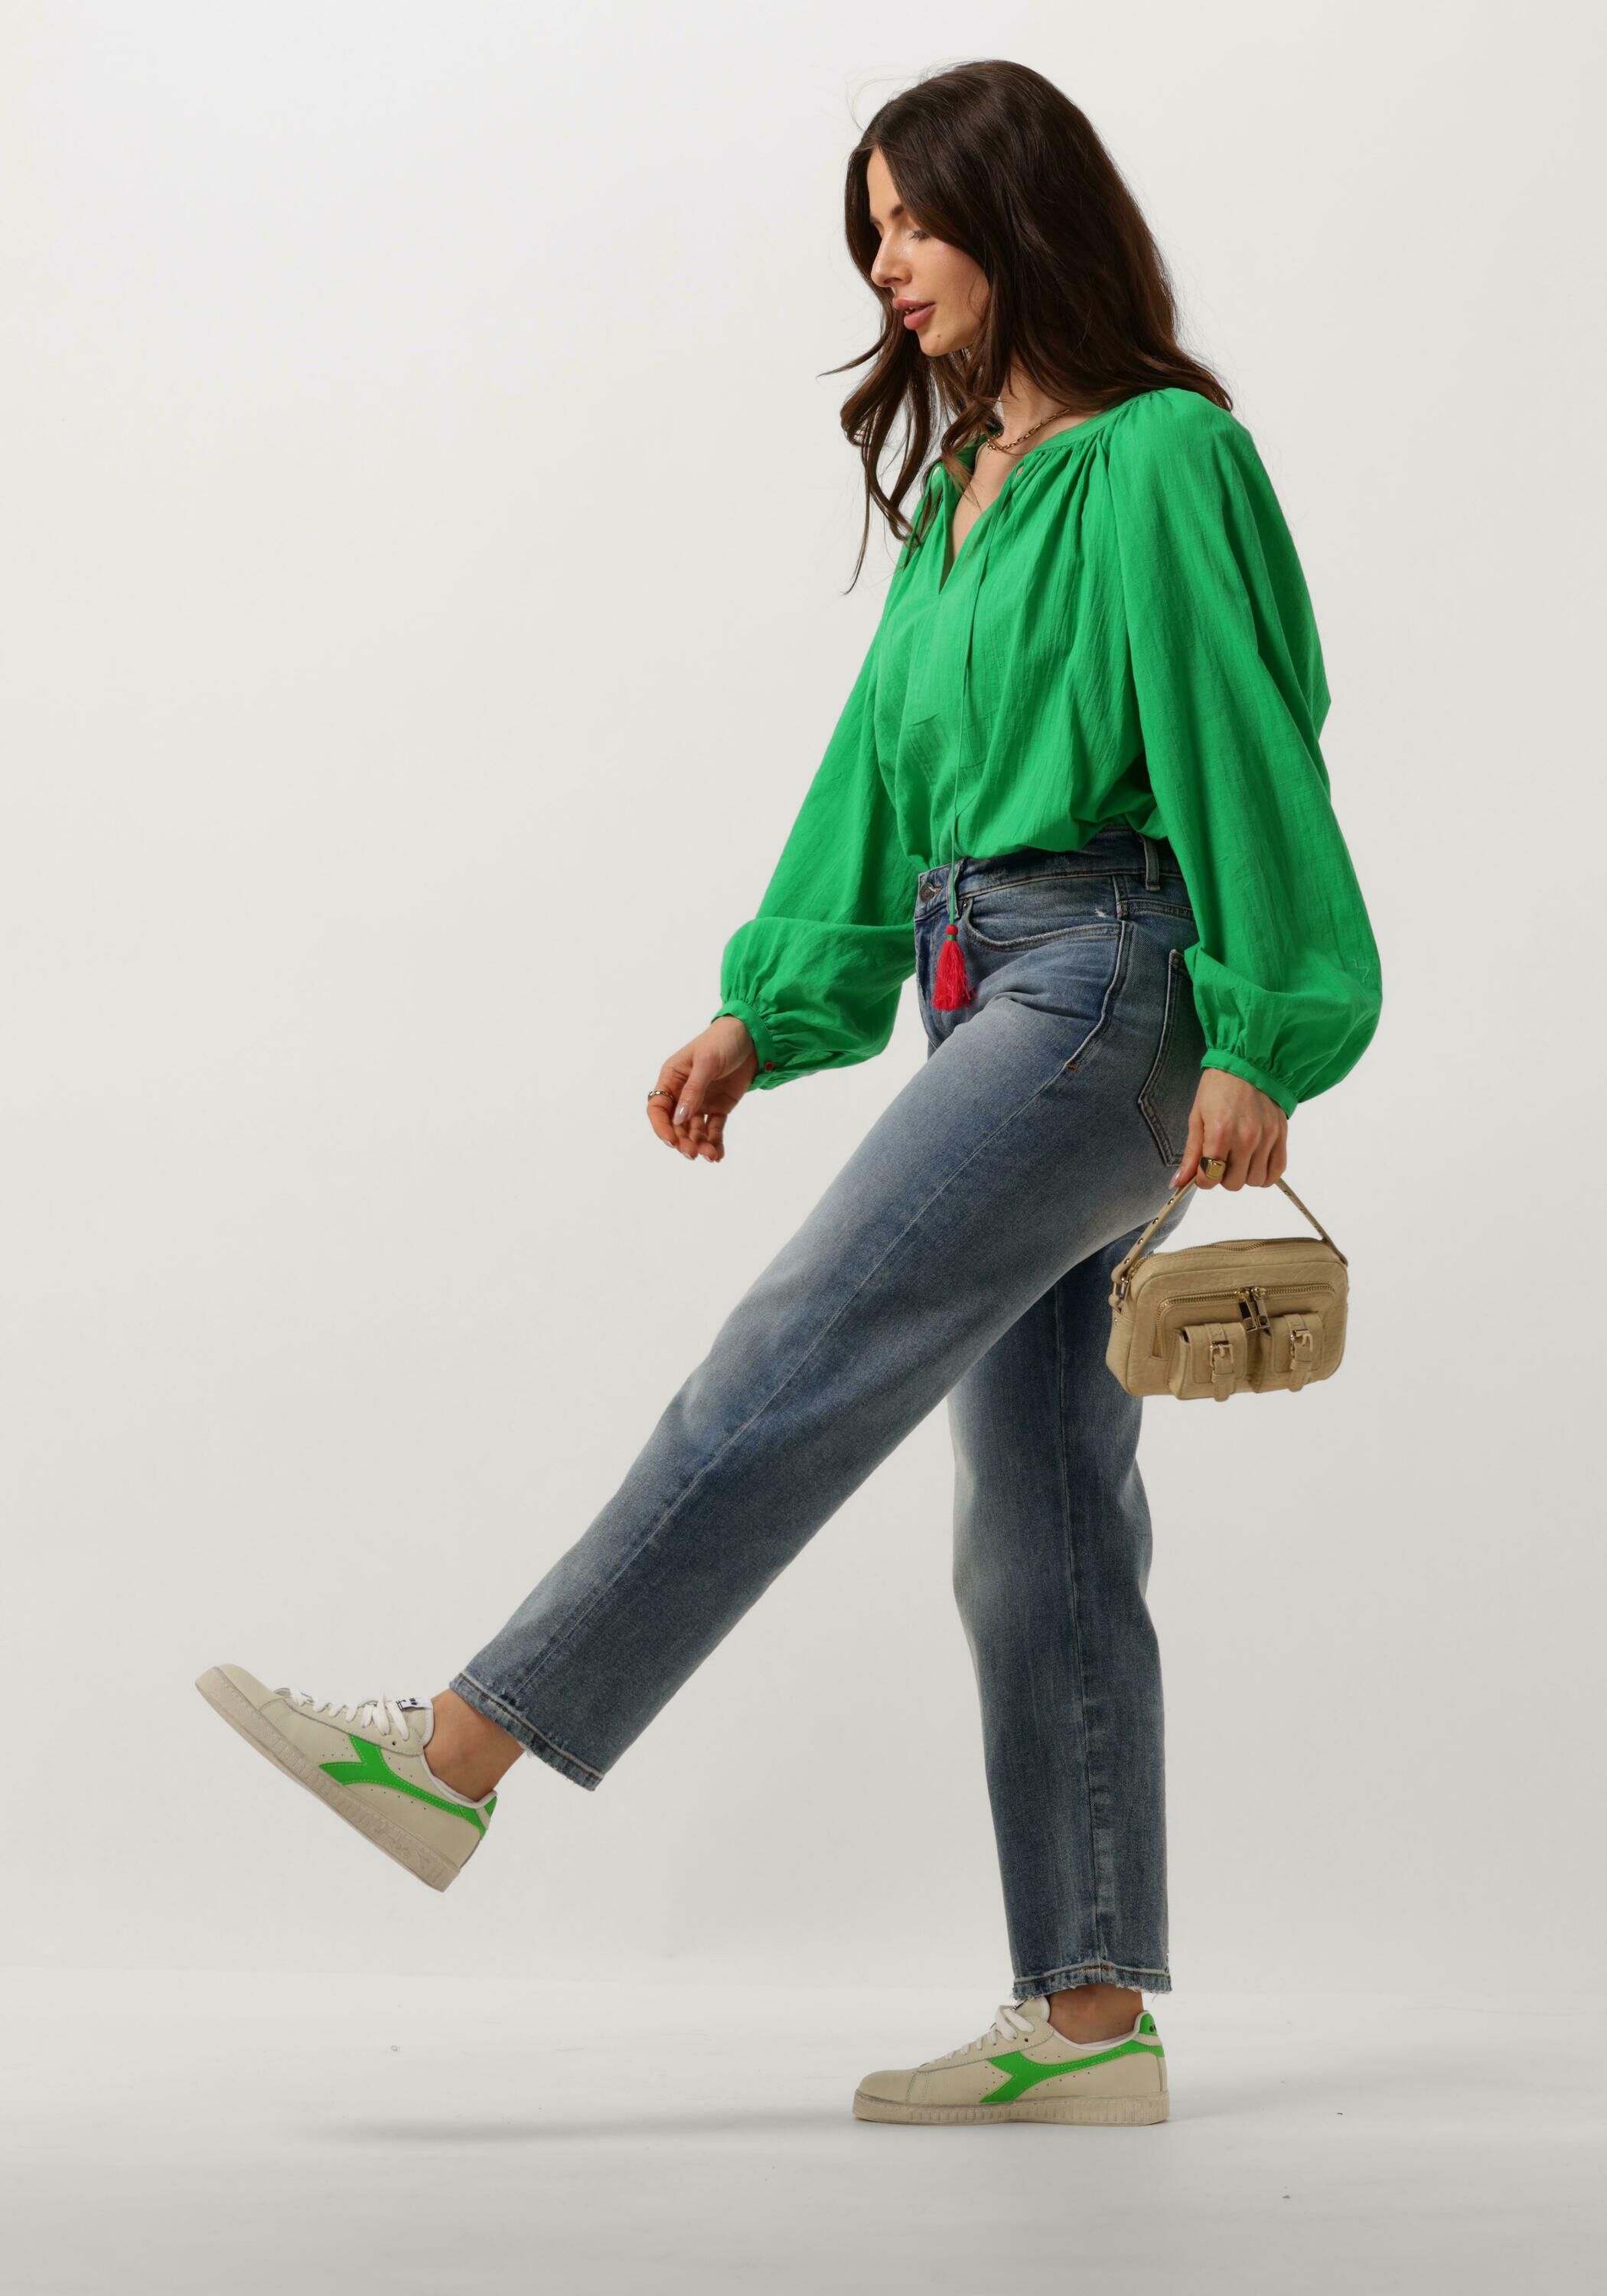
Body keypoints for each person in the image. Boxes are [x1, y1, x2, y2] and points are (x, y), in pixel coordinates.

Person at [197, 58, 1382, 2129]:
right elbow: (875, 781)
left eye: (916, 220)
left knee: (806, 1343)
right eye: (872, 229)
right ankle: (1086, 2022)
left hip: (1111, 988)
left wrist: (1261, 1032)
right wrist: (776, 1007)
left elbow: (1244, 735)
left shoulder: (1162, 455)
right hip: (983, 983)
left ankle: (457, 1752)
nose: (886, 265)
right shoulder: (966, 493)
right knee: (1040, 1520)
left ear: (1023, 219)